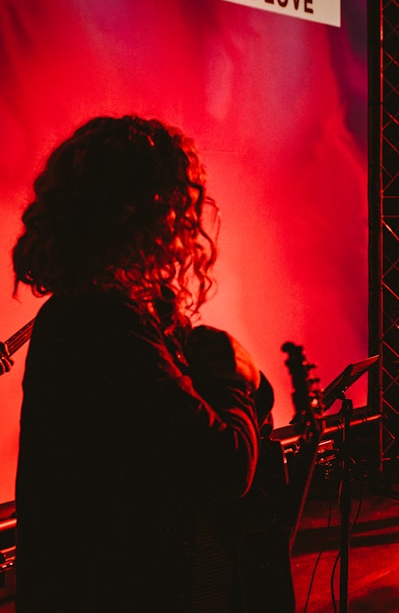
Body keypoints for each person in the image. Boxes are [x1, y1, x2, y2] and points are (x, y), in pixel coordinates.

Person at [12, 115, 263, 612]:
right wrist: (239, 380)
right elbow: (228, 463)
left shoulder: (84, 315)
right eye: (172, 205)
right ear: (143, 213)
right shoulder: (105, 324)